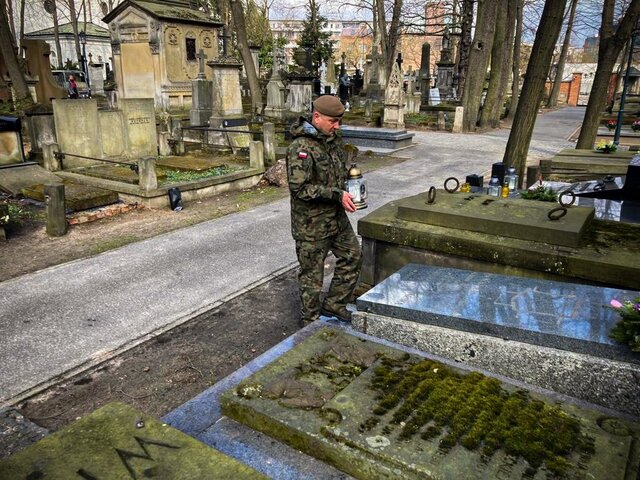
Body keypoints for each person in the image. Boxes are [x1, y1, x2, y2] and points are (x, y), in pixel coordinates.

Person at [285, 95, 362, 326]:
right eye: (333, 121)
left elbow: (339, 170)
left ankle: (335, 304)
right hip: (311, 225)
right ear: (316, 117)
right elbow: (300, 189)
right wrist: (337, 195)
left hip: (336, 219)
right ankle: (309, 323)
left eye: (339, 121)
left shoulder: (333, 139)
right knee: (312, 276)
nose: (337, 126)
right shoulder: (300, 147)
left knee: (352, 256)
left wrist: (352, 184)